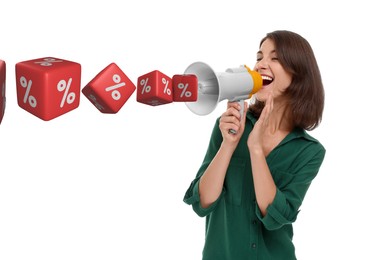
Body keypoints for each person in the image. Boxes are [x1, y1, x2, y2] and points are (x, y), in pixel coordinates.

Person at [183, 30, 326, 260]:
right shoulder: (228, 125)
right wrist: (228, 145)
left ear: (298, 74)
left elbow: (275, 217)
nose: (261, 64)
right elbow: (202, 203)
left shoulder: (309, 151)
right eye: (259, 57)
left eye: (275, 58)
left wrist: (256, 149)